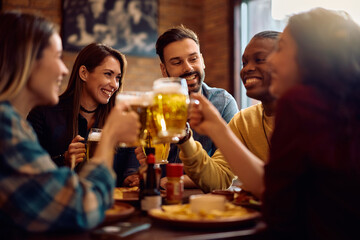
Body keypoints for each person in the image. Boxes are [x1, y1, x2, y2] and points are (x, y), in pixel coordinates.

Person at [188, 8, 360, 239]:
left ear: (310, 58)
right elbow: (271, 185)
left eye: (281, 49)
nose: (273, 60)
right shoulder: (343, 106)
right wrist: (215, 129)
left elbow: (279, 206)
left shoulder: (299, 103)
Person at [0, 11, 140, 232]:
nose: (64, 69)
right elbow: (80, 208)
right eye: (57, 56)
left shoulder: (12, 122)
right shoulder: (6, 128)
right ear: (26, 60)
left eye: (118, 77)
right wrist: (108, 137)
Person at [133, 25, 239, 188]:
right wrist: (144, 169)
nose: (188, 67)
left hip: (202, 202)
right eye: (177, 62)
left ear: (202, 61)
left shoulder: (222, 103)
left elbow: (226, 170)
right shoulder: (152, 106)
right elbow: (141, 168)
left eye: (193, 58)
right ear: (164, 69)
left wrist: (167, 181)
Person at [176, 31, 279, 193]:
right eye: (244, 63)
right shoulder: (244, 121)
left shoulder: (315, 116)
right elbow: (218, 179)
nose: (248, 69)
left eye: (260, 60)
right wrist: (185, 138)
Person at [27, 42, 138, 187]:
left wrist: (131, 176)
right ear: (84, 73)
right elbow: (29, 170)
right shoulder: (43, 113)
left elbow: (130, 166)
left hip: (115, 207)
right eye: (108, 74)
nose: (114, 85)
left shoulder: (120, 118)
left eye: (118, 77)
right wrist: (64, 160)